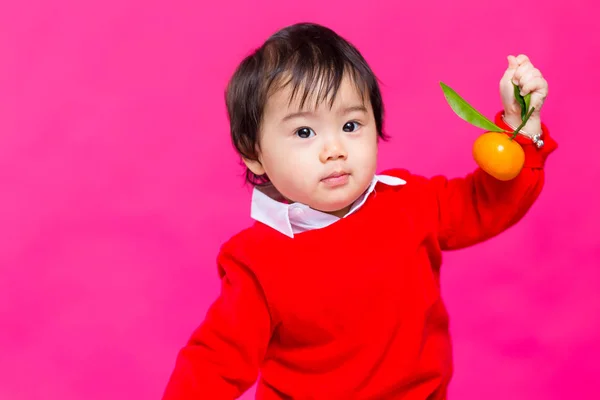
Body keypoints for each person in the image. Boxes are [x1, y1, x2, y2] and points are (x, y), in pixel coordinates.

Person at [162, 22, 557, 399]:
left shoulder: (410, 200)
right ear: (254, 155)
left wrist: (522, 127)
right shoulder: (256, 262)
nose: (335, 149)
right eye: (304, 132)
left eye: (351, 125)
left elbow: (488, 204)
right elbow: (213, 364)